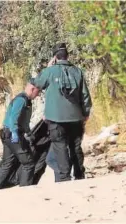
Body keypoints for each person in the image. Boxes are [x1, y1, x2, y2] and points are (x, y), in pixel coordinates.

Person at [33, 43, 92, 182]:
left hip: (55, 118)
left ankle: (64, 177)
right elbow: (85, 96)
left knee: (60, 147)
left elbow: (37, 83)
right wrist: (86, 113)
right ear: (68, 55)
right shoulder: (77, 71)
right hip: (76, 117)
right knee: (75, 146)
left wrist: (47, 68)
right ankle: (79, 175)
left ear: (55, 57)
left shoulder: (50, 71)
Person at [0, 80, 40, 188]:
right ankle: (25, 189)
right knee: (28, 163)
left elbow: (24, 122)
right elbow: (13, 118)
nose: (38, 94)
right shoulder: (21, 100)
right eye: (38, 91)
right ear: (32, 89)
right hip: (12, 134)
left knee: (7, 163)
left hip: (6, 134)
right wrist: (14, 133)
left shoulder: (26, 101)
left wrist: (29, 133)